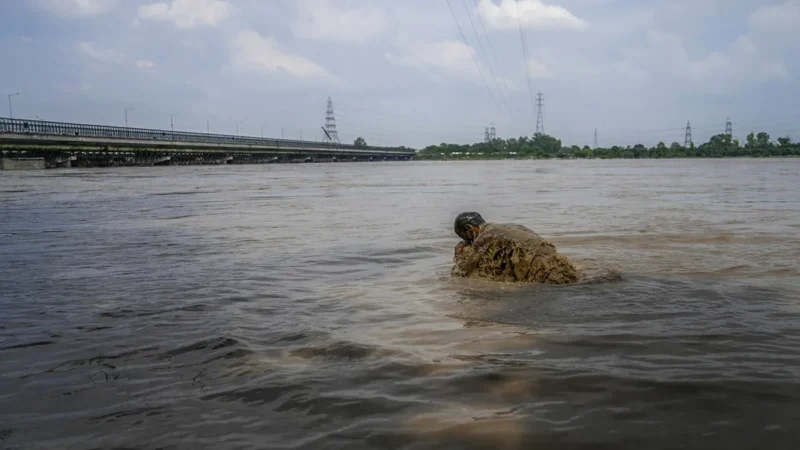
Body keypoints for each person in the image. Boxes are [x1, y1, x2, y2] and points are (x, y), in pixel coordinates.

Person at [451, 212, 581, 284]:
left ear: (470, 229)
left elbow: (465, 270)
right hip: (554, 260)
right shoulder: (511, 226)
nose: (469, 242)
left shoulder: (484, 237)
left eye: (466, 238)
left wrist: (459, 255)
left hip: (538, 271)